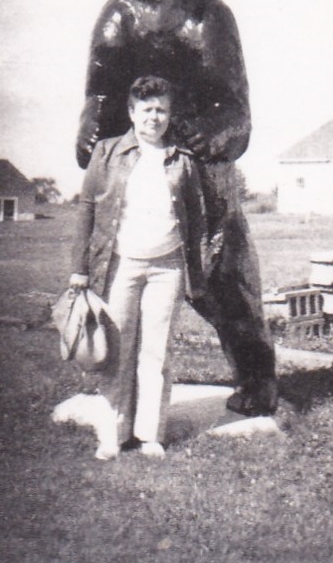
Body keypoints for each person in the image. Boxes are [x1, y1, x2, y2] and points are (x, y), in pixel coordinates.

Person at [68, 75, 207, 460]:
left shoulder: (183, 160)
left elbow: (195, 218)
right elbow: (88, 209)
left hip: (168, 267)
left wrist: (196, 268)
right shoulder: (108, 153)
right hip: (120, 265)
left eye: (162, 109)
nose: (155, 117)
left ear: (170, 114)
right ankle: (113, 434)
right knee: (116, 350)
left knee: (157, 353)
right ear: (132, 113)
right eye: (147, 109)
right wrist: (80, 267)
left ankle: (150, 435)